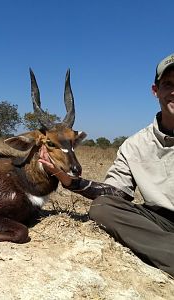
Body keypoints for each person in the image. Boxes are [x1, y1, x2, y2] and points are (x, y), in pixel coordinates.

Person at [39, 53, 174, 277]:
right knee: (103, 207)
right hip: (158, 221)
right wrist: (71, 181)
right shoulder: (135, 145)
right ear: (155, 91)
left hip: (156, 235)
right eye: (169, 84)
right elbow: (116, 194)